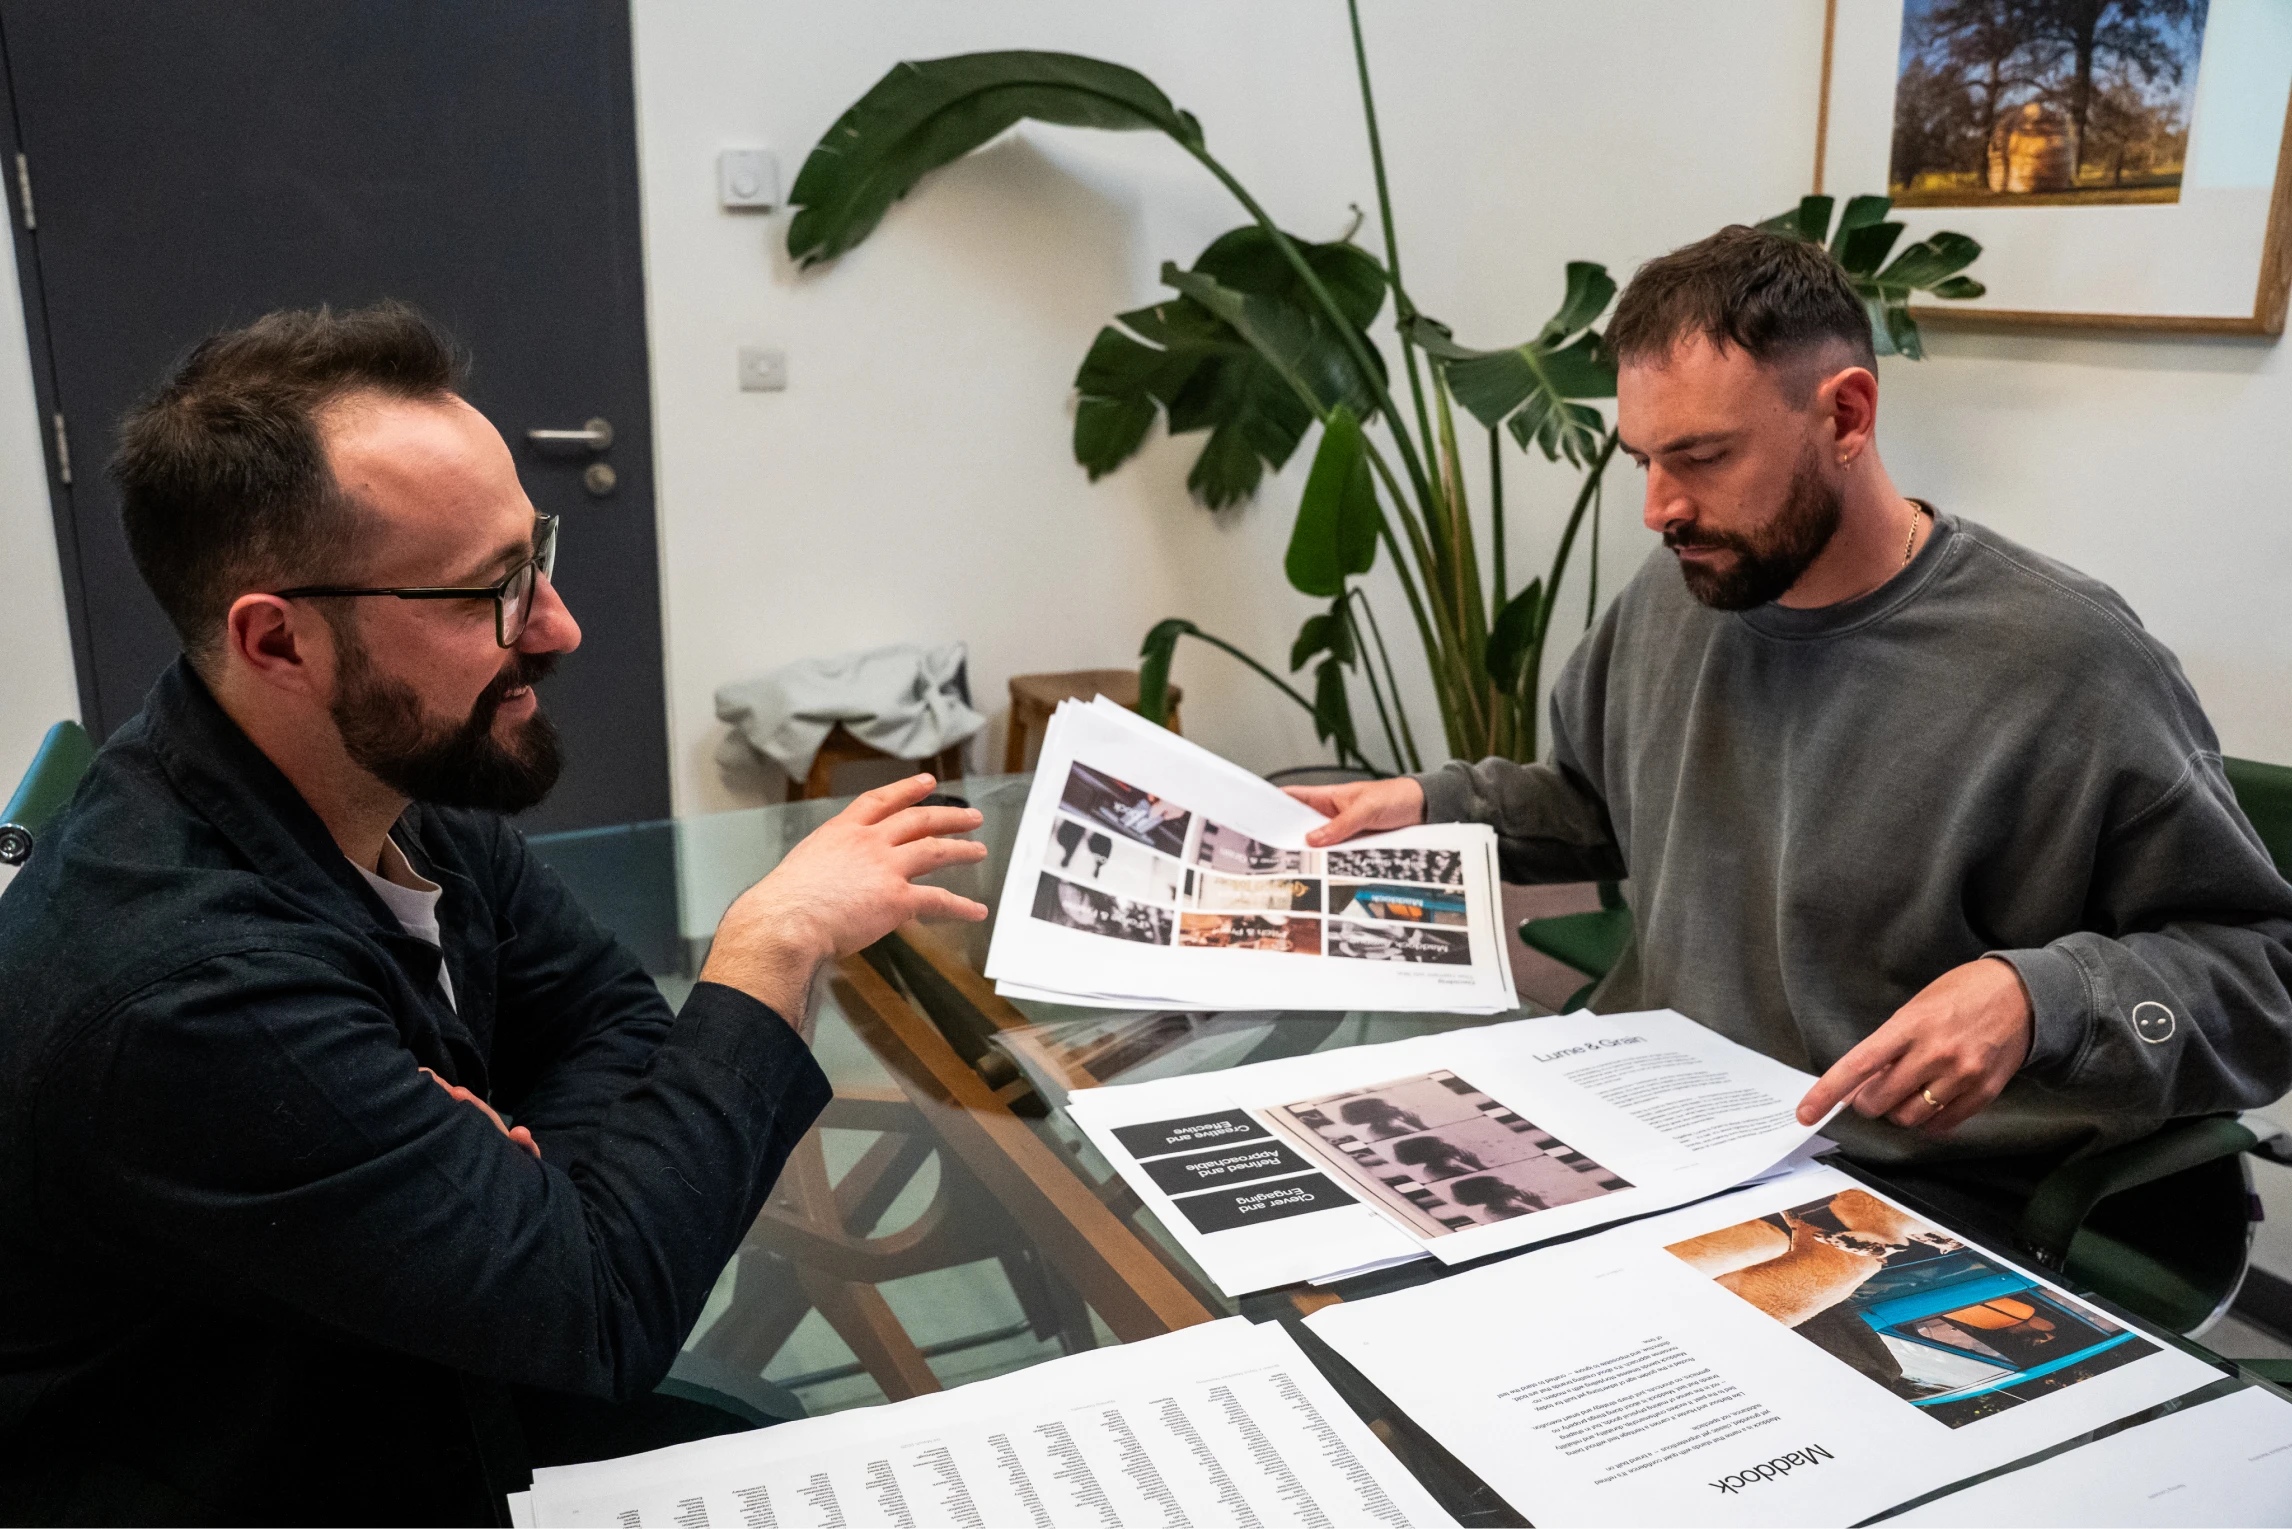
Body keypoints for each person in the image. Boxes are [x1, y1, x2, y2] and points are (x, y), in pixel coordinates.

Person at [0, 303, 989, 1526]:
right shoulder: (192, 997)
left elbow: (610, 1017)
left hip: (407, 1378)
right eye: (488, 592)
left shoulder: (369, 772)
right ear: (279, 640)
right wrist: (765, 950)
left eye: (536, 556)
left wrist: (527, 1204)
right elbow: (603, 1308)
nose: (558, 624)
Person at [1290, 226, 2292, 1200]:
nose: (1659, 508)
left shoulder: (2067, 666)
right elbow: (1600, 803)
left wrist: (2039, 998)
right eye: (1645, 459)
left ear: (1846, 416)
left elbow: (2263, 979)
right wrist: (1431, 802)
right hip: (1657, 1131)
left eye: (1703, 456)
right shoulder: (1677, 589)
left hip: (1910, 1191)